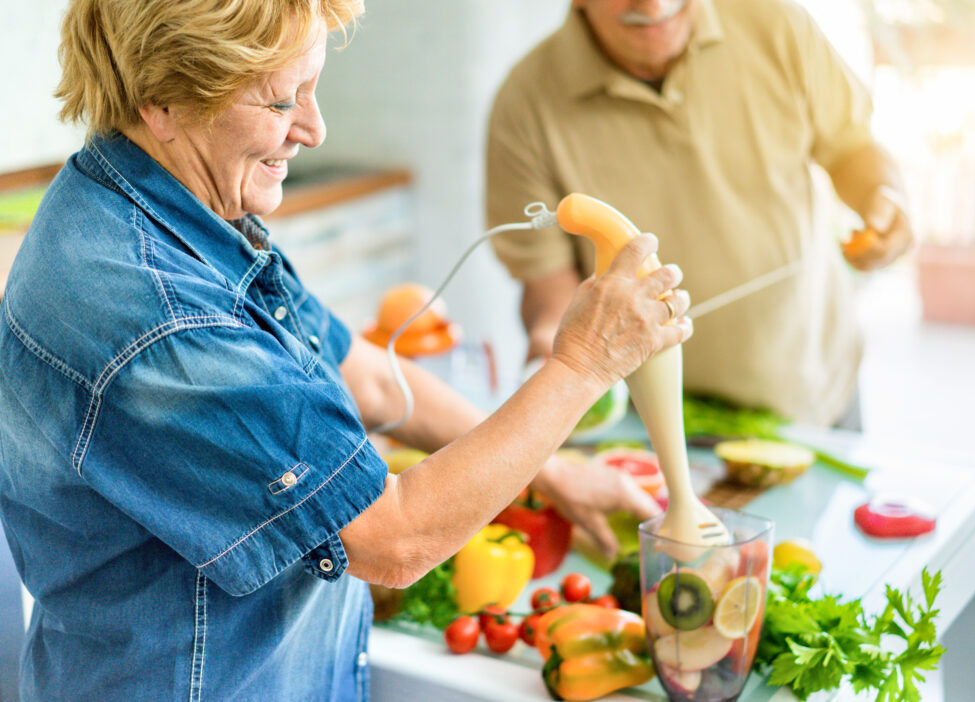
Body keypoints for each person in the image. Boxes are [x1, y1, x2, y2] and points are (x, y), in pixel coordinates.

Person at [0, 1, 694, 700]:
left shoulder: (170, 209)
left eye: (310, 88)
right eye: (280, 100)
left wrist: (558, 475)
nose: (313, 128)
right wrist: (583, 364)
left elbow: (366, 375)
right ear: (164, 102)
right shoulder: (156, 314)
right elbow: (394, 540)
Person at [487, 0, 914, 428]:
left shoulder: (778, 24)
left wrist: (884, 195)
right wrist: (555, 355)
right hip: (648, 423)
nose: (654, 6)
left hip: (816, 394)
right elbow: (548, 287)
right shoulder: (524, 104)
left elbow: (850, 147)